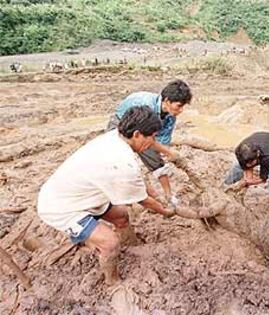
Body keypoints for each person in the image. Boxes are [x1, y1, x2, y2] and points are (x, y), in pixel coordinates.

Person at [38, 106, 175, 285]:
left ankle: (132, 245)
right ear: (137, 134)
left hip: (85, 194)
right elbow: (144, 200)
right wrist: (166, 211)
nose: (153, 141)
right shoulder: (121, 162)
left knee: (122, 216)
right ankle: (113, 281)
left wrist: (156, 195)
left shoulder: (115, 137)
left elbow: (138, 183)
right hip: (61, 207)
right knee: (110, 243)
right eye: (152, 136)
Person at [107, 79, 192, 204]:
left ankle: (169, 196)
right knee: (120, 162)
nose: (181, 110)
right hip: (121, 125)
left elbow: (159, 142)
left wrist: (165, 152)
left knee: (156, 161)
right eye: (179, 105)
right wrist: (169, 152)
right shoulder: (146, 106)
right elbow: (142, 137)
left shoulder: (170, 118)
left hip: (143, 133)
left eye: (183, 106)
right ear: (167, 101)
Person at [224, 132, 269, 207]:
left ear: (257, 155)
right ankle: (226, 185)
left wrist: (249, 182)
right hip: (261, 142)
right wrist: (248, 179)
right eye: (247, 163)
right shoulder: (238, 151)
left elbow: (263, 178)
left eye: (251, 163)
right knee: (236, 167)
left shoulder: (267, 156)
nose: (249, 165)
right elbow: (246, 167)